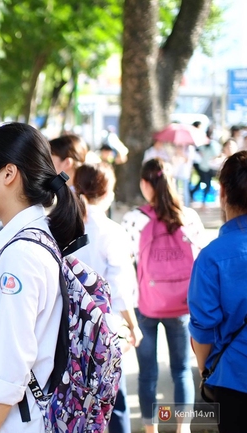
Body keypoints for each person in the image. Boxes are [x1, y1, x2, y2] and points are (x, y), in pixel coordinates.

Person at [0, 122, 84, 432]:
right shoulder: (27, 240)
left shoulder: (21, 256)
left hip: (15, 424)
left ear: (8, 174)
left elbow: (9, 373)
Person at [121, 158, 205, 433]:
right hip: (181, 305)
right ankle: (182, 429)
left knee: (148, 374)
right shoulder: (188, 217)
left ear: (146, 184)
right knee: (181, 371)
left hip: (144, 304)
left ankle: (151, 429)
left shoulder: (134, 219)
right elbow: (202, 256)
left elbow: (124, 261)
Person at [72, 163, 142, 433]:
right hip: (104, 329)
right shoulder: (110, 230)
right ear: (107, 192)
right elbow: (120, 289)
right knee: (114, 401)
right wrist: (133, 326)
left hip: (69, 325)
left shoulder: (64, 222)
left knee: (76, 401)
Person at [188, 150, 247, 433]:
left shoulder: (212, 257)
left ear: (222, 191)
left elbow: (203, 331)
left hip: (233, 381)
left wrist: (205, 370)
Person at [190, 128, 221, 208]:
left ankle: (193, 194)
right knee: (206, 183)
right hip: (204, 167)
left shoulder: (212, 144)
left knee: (203, 182)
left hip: (208, 167)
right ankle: (202, 201)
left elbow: (216, 154)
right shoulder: (205, 143)